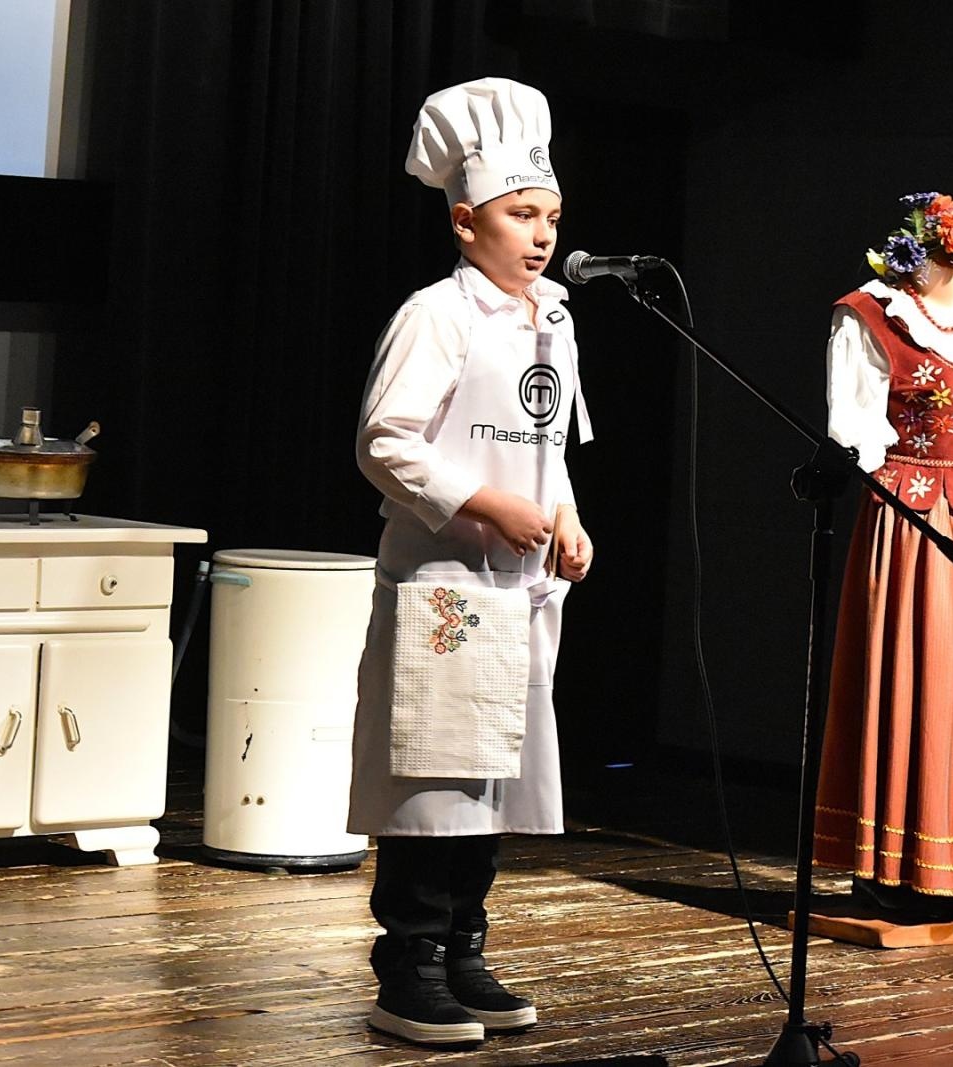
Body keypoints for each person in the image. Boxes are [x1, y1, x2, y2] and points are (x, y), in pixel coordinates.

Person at [348, 76, 595, 1047]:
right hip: (448, 583)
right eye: (521, 214)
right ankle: (404, 959)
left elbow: (549, 447)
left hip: (523, 590)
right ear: (464, 222)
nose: (540, 234)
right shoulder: (436, 315)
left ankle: (463, 945)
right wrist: (484, 503)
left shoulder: (554, 319)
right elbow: (385, 439)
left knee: (492, 769)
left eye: (552, 215)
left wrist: (566, 518)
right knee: (433, 771)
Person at [813, 193, 953, 923]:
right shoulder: (872, 312)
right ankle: (891, 866)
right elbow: (851, 427)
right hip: (914, 515)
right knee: (915, 675)